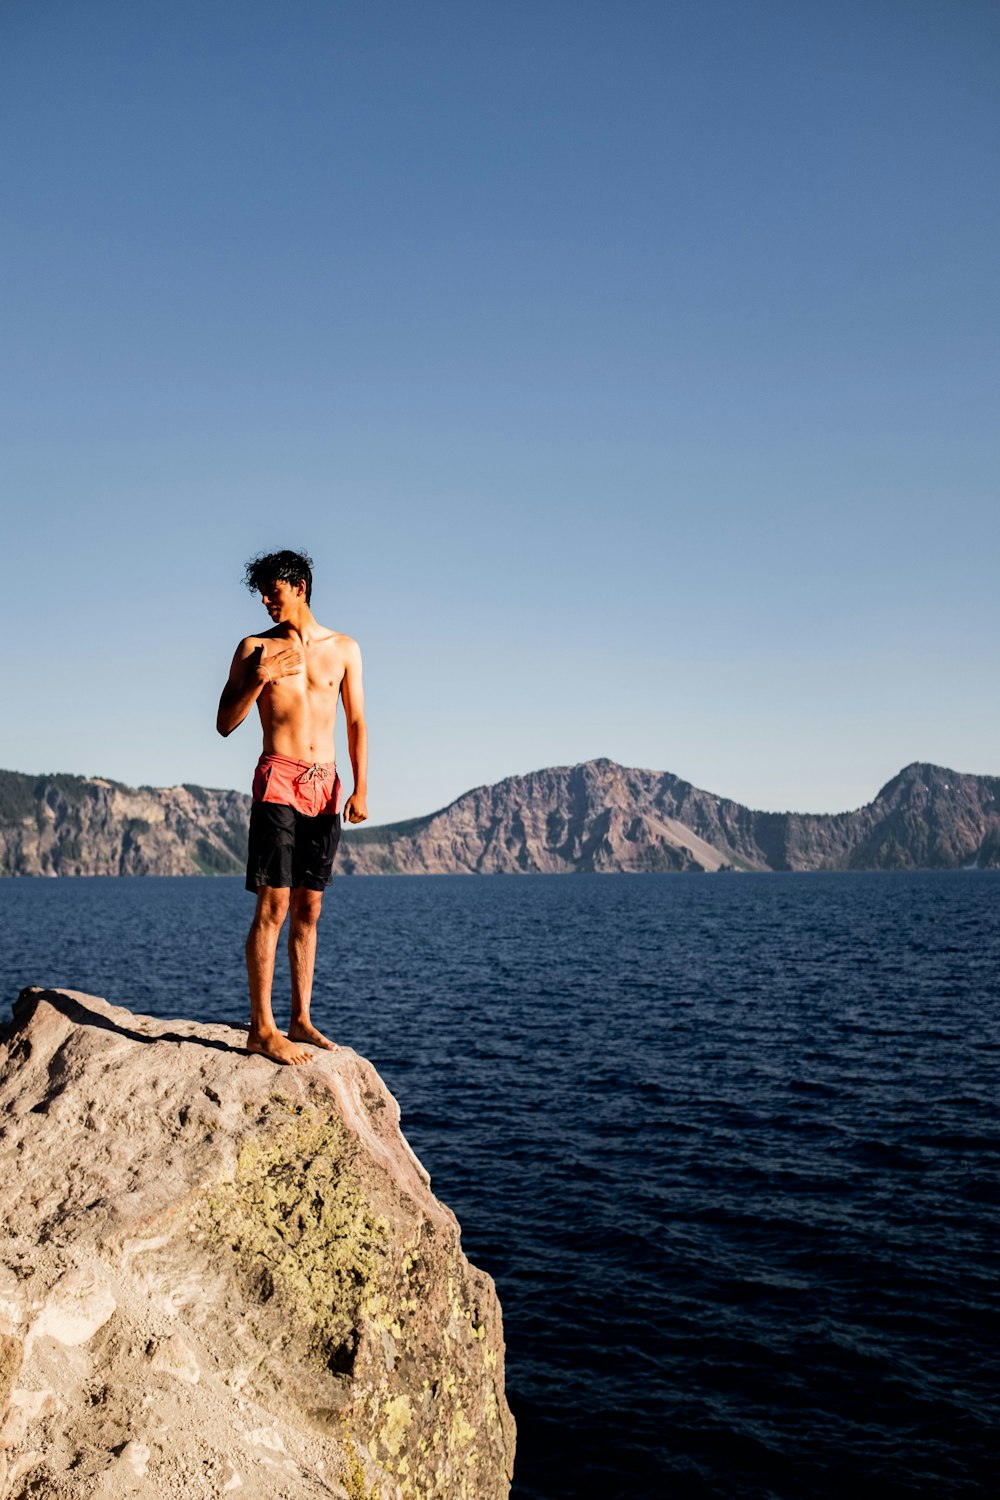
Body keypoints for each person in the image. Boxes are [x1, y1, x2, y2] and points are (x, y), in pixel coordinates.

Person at [216, 549, 368, 1064]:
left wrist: (361, 788)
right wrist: (260, 675)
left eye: (271, 590)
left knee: (310, 908)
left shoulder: (344, 648)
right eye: (260, 592)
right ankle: (262, 1028)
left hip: (325, 785)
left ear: (298, 586)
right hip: (278, 779)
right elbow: (224, 721)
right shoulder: (253, 647)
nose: (264, 599)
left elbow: (356, 723)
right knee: (274, 905)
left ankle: (300, 1019)